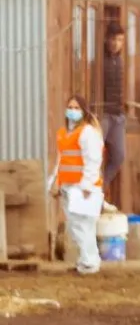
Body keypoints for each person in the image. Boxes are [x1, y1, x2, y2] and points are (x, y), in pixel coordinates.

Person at [48, 95, 105, 275]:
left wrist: (87, 186)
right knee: (76, 226)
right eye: (70, 107)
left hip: (83, 187)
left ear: (83, 111)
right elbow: (61, 160)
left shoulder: (87, 132)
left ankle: (89, 263)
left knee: (83, 226)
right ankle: (86, 261)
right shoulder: (64, 133)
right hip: (68, 186)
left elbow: (93, 161)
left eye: (76, 108)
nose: (72, 111)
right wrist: (55, 182)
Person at [99, 22, 127, 192]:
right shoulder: (100, 60)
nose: (116, 43)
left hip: (118, 116)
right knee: (93, 157)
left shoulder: (120, 60)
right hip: (102, 114)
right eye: (113, 39)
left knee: (119, 157)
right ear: (106, 39)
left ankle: (99, 189)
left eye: (120, 40)